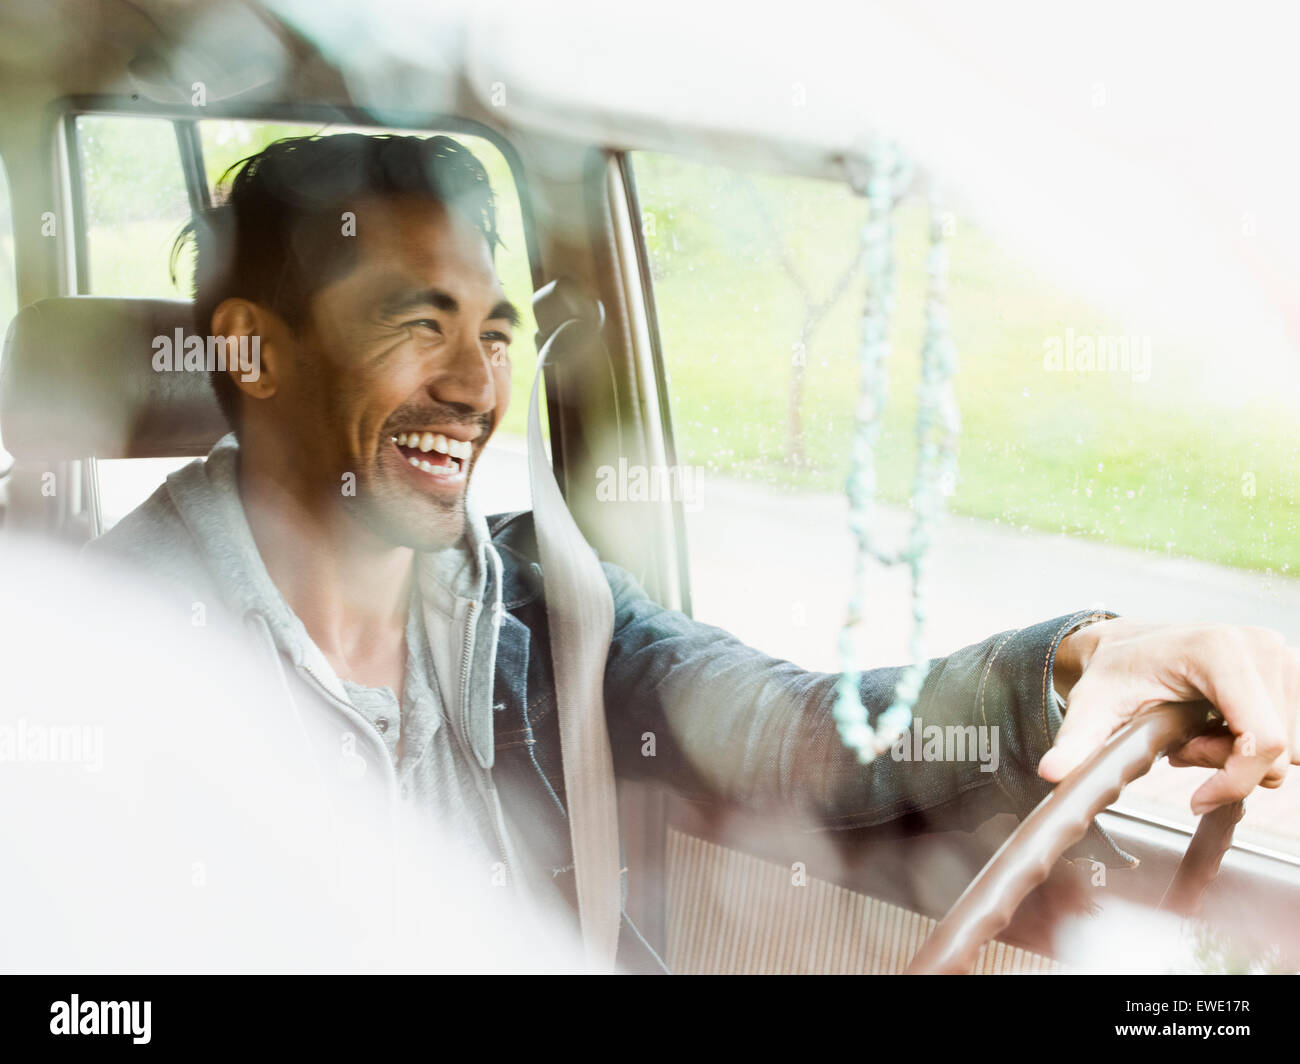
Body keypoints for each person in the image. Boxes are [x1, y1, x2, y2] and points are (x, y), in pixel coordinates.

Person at [85, 133, 1300, 974]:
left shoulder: (547, 607)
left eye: (497, 332)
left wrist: (1083, 662)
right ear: (252, 353)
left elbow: (802, 733)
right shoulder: (92, 658)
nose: (474, 386)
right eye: (418, 327)